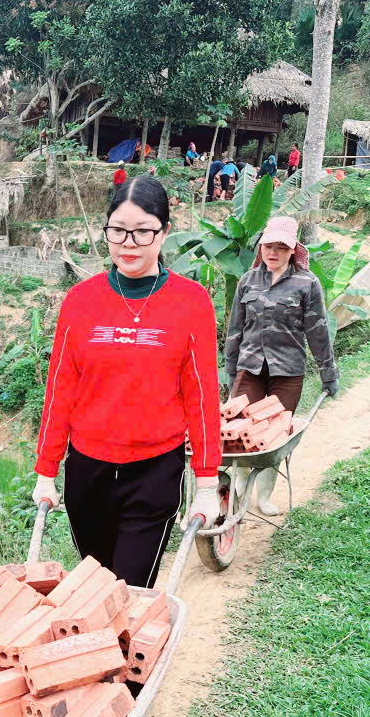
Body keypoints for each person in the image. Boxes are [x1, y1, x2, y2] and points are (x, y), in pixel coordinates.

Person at [32, 175, 222, 590]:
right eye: (117, 230)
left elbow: (202, 395)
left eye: (143, 231)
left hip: (154, 472)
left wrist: (207, 481)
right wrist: (46, 471)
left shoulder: (192, 302)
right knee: (95, 589)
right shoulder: (80, 301)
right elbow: (60, 389)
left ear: (164, 232)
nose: (129, 243)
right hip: (87, 473)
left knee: (130, 592)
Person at [223, 216, 338, 516]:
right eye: (268, 246)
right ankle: (239, 489)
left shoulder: (307, 283)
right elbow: (235, 329)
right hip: (250, 368)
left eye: (281, 248)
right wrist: (231, 370)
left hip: (287, 372)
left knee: (275, 435)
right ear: (260, 247)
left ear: (292, 250)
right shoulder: (248, 281)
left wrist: (328, 373)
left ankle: (264, 496)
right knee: (239, 431)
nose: (273, 253)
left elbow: (318, 331)